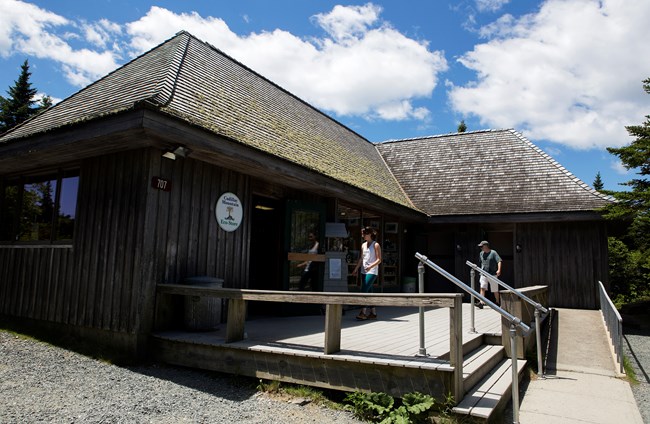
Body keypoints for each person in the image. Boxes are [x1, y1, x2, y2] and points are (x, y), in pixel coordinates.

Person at [353, 227, 382, 320]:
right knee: (369, 291)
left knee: (364, 289)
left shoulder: (376, 245)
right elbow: (361, 258)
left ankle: (363, 312)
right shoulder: (363, 245)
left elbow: (379, 260)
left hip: (372, 271)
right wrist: (356, 269)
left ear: (369, 234)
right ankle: (373, 312)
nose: (362, 235)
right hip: (363, 270)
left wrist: (370, 266)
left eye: (364, 234)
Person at [476, 240, 502, 308]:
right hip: (483, 273)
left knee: (495, 289)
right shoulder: (481, 253)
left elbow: (499, 261)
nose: (481, 248)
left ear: (486, 246)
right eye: (480, 247)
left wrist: (499, 270)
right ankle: (481, 302)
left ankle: (497, 302)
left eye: (482, 246)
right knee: (482, 287)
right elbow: (481, 262)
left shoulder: (493, 253)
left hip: (492, 274)